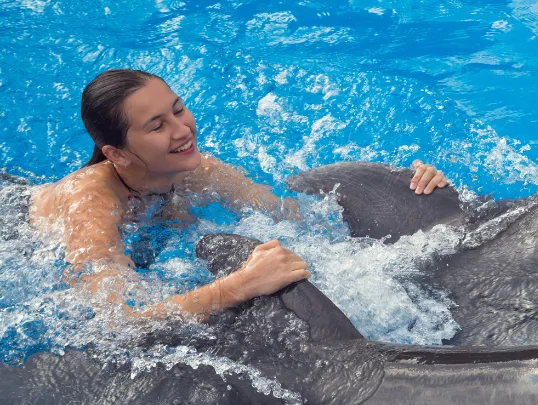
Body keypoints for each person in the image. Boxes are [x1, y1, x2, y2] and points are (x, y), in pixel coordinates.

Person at [28, 68, 450, 320]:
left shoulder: (197, 170)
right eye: (157, 126)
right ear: (116, 154)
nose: (182, 131)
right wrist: (240, 285)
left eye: (178, 109)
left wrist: (402, 192)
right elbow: (115, 321)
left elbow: (296, 217)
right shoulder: (89, 202)